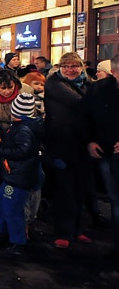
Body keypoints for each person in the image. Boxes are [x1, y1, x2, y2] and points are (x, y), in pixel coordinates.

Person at [44, 52, 94, 248]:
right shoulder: (54, 83)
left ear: (81, 67)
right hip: (60, 144)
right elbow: (80, 102)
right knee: (64, 189)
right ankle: (63, 231)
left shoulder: (88, 85)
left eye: (74, 66)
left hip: (83, 144)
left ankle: (77, 229)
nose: (70, 70)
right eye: (66, 66)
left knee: (81, 188)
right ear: (60, 68)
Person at [0, 93, 44, 258]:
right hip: (13, 174)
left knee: (11, 209)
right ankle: (2, 234)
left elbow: (23, 151)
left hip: (19, 177)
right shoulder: (20, 125)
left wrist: (2, 150)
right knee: (0, 205)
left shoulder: (23, 129)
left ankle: (17, 241)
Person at [82, 54, 119, 269]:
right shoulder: (99, 90)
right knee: (115, 200)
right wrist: (90, 141)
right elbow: (85, 116)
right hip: (107, 153)